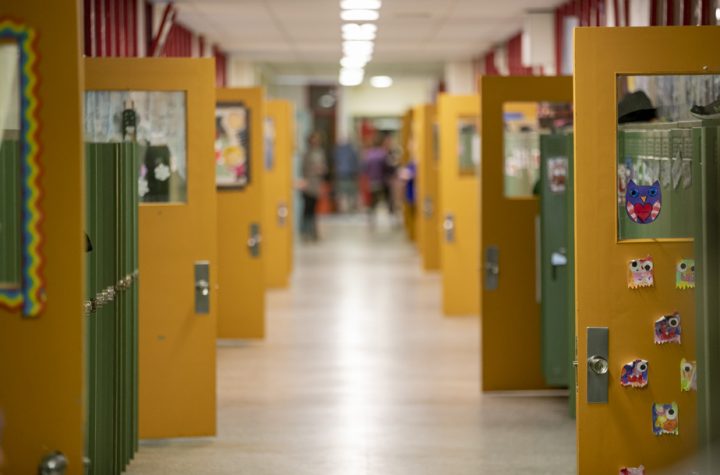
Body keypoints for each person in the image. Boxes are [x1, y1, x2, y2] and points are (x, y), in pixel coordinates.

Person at [300, 132, 327, 241]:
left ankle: (313, 232)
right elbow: (304, 169)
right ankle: (306, 232)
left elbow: (325, 168)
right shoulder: (306, 154)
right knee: (307, 210)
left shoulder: (320, 153)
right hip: (308, 186)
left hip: (316, 185)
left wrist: (321, 169)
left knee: (314, 210)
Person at [333, 139, 360, 213]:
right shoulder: (352, 151)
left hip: (341, 174)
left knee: (342, 192)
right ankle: (349, 208)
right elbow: (356, 162)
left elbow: (335, 162)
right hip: (350, 174)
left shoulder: (338, 151)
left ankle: (343, 208)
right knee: (350, 192)